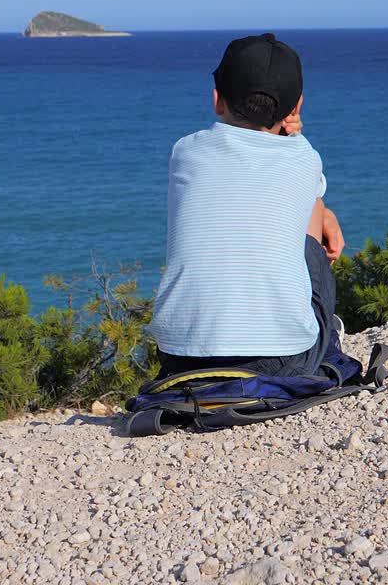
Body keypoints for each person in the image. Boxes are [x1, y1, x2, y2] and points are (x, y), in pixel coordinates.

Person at [147, 33, 346, 379]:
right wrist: (293, 139)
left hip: (180, 360)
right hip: (281, 361)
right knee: (313, 211)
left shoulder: (184, 152)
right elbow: (306, 197)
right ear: (295, 107)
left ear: (216, 100)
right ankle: (325, 334)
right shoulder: (304, 157)